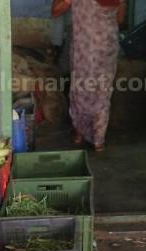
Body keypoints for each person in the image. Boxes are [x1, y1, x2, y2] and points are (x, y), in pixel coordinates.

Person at [53, 0, 124, 152]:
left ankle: (81, 133)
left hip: (86, 47)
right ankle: (98, 139)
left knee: (82, 89)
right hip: (104, 45)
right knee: (101, 92)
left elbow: (55, 11)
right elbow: (120, 19)